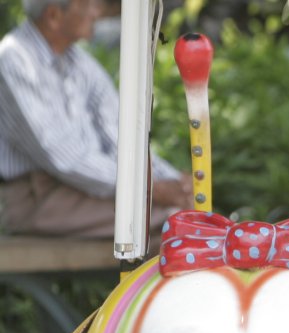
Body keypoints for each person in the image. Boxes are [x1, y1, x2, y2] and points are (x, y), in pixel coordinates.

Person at [0, 0, 190, 238]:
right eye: (88, 5)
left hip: (83, 190)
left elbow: (123, 133)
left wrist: (172, 181)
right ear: (53, 16)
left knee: (185, 213)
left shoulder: (79, 62)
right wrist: (144, 188)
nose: (97, 12)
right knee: (176, 222)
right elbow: (62, 156)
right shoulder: (14, 58)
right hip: (37, 198)